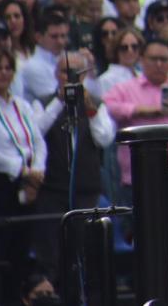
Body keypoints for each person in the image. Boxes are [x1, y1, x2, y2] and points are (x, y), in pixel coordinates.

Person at [32, 51, 116, 280]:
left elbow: (104, 138)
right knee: (52, 253)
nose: (70, 78)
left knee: (88, 252)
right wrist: (60, 101)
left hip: (86, 191)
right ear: (55, 74)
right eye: (64, 72)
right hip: (52, 190)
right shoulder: (43, 103)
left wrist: (89, 106)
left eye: (76, 74)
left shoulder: (95, 104)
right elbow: (35, 131)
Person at [0, 51, 47, 295]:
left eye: (8, 68)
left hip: (27, 184)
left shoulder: (21, 104)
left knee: (21, 246)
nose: (3, 72)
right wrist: (23, 171)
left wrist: (37, 170)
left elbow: (37, 141)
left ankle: (17, 296)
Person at [102, 39, 168, 198]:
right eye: (153, 59)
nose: (159, 64)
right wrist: (141, 111)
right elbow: (109, 108)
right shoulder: (125, 88)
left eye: (163, 59)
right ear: (142, 59)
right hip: (137, 175)